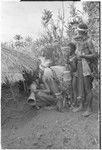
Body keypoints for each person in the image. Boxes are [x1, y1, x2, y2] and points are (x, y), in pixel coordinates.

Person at [72, 23, 97, 117]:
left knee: (87, 88)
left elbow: (94, 55)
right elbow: (75, 40)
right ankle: (81, 106)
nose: (77, 32)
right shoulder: (80, 40)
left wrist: (83, 56)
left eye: (78, 31)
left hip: (86, 65)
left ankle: (89, 109)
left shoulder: (89, 41)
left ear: (82, 32)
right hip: (80, 65)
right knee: (80, 87)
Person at [66, 42, 78, 108]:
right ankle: (71, 102)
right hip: (69, 75)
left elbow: (75, 68)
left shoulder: (75, 56)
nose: (68, 50)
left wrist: (70, 62)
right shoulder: (69, 56)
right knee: (70, 89)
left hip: (75, 74)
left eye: (69, 49)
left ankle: (75, 103)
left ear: (73, 49)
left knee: (74, 89)